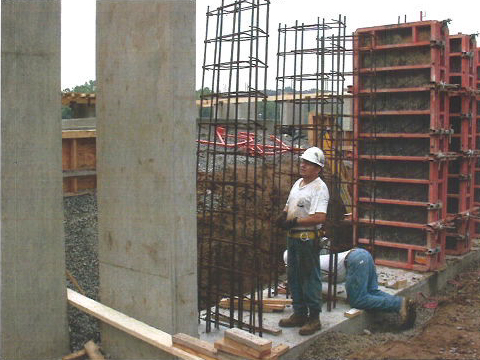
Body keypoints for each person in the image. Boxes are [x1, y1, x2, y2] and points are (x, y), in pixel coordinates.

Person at [283, 247, 416, 328]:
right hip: (362, 255)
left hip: (355, 260)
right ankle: (404, 303)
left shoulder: (309, 265)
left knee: (358, 300)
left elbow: (312, 286)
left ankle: (398, 304)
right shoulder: (311, 259)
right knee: (372, 291)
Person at [276, 147, 329, 336]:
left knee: (309, 277)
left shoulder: (319, 188)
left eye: (308, 163)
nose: (303, 165)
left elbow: (320, 217)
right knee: (294, 277)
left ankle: (314, 318)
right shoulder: (298, 183)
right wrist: (283, 216)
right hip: (293, 238)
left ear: (318, 168)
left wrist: (295, 221)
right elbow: (289, 205)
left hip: (307, 239)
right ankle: (299, 313)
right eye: (303, 162)